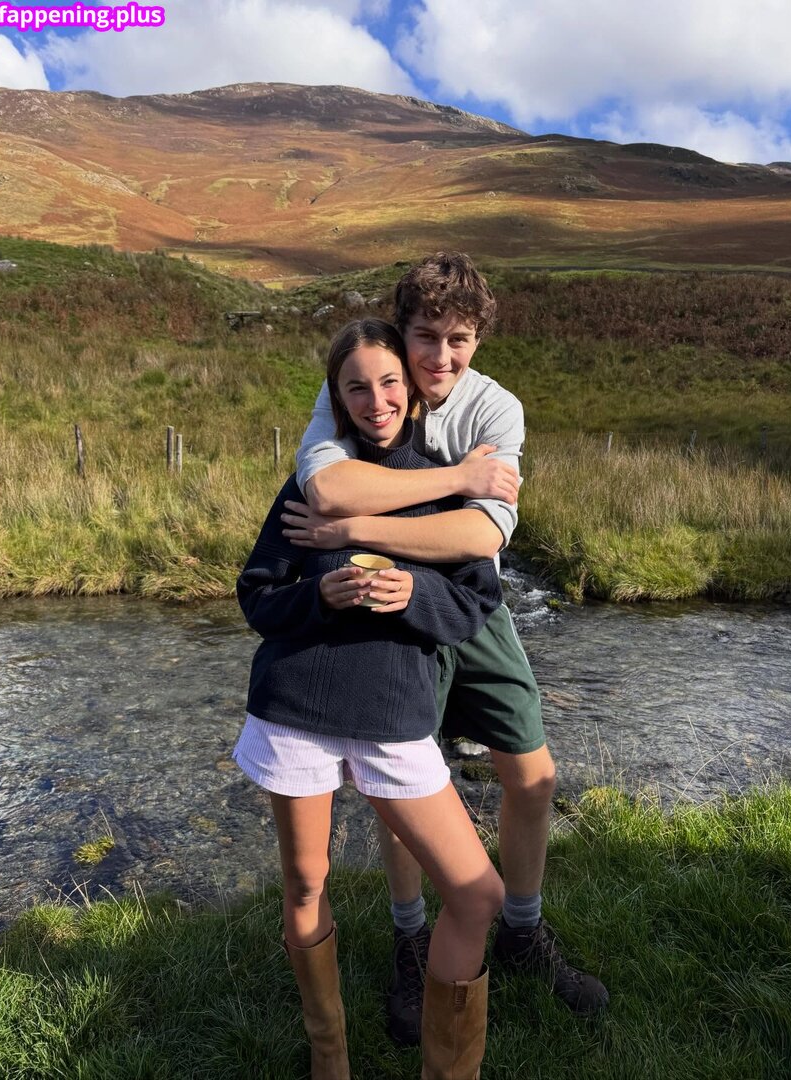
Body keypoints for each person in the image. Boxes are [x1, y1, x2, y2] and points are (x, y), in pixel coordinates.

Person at [286, 252, 609, 1046]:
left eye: (458, 339)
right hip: (387, 612)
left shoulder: (497, 409)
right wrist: (455, 480)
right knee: (401, 784)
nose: (438, 358)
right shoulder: (365, 385)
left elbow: (478, 535)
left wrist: (356, 527)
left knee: (532, 775)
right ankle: (411, 939)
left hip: (476, 606)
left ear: (478, 340)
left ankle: (523, 931)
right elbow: (325, 488)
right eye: (425, 336)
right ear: (402, 330)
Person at [233, 317, 505, 1079]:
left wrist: (414, 594)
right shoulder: (313, 482)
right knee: (306, 881)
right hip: (297, 711)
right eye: (356, 387)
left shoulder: (447, 486)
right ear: (337, 397)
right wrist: (318, 596)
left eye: (389, 382)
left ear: (412, 391)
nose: (376, 400)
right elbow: (257, 598)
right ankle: (331, 1057)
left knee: (476, 894)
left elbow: (472, 606)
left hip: (394, 718)